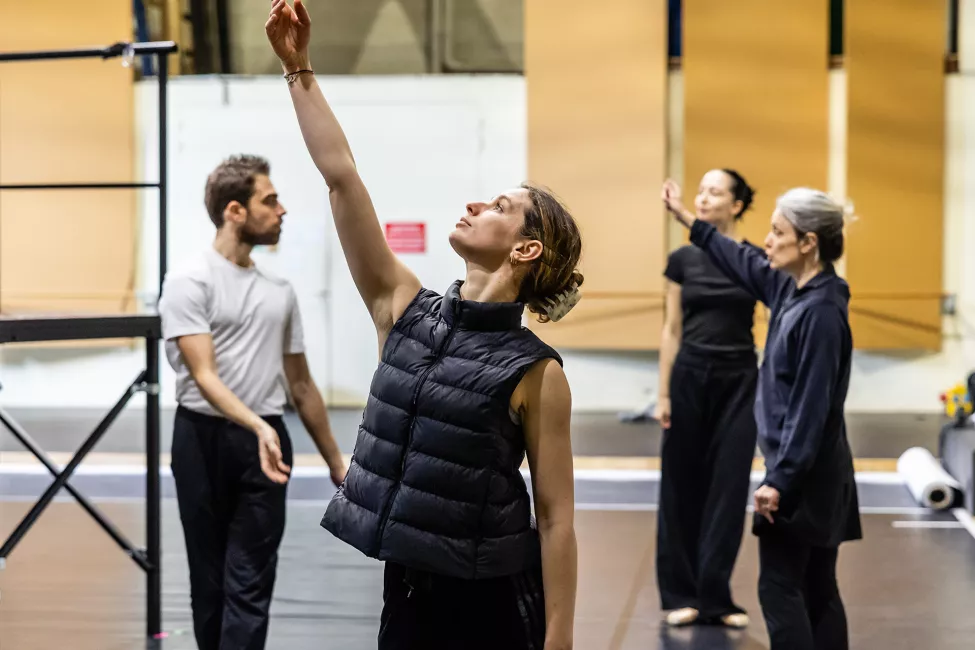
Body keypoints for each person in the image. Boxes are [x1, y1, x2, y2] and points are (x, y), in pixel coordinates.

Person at [265, 2, 580, 649]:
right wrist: (299, 71)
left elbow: (554, 517)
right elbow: (342, 180)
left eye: (499, 206)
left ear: (525, 250)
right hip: (408, 588)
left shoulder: (536, 371)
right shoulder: (402, 307)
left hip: (491, 598)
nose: (474, 204)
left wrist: (559, 639)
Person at [662, 180, 862, 650]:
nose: (766, 241)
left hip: (806, 479)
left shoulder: (821, 314)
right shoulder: (790, 288)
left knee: (780, 587)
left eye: (777, 232)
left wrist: (781, 480)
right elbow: (741, 258)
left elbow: (810, 410)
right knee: (816, 589)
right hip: (811, 473)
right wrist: (689, 221)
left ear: (808, 243)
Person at [158, 153, 348, 650]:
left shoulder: (280, 292)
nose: (281, 210)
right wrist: (258, 427)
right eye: (270, 200)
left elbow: (302, 386)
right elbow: (204, 376)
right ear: (235, 211)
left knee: (250, 580)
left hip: (265, 444)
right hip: (201, 440)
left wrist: (335, 461)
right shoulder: (188, 281)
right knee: (210, 580)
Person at [654, 169, 759, 629]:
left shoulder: (753, 259)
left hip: (740, 380)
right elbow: (671, 328)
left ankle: (716, 597)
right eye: (701, 190)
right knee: (681, 486)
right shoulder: (681, 260)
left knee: (729, 487)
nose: (703, 197)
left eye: (715, 192)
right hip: (690, 377)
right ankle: (681, 593)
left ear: (736, 205)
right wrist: (662, 392)